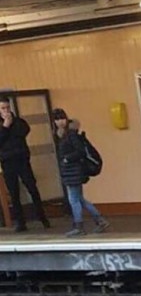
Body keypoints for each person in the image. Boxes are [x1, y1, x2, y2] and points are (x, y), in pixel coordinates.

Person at [52, 108, 109, 237]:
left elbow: (80, 152)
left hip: (73, 171)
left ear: (66, 119)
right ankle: (100, 220)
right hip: (70, 171)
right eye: (57, 119)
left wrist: (67, 159)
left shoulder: (71, 135)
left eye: (61, 118)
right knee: (80, 199)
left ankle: (79, 226)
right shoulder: (62, 135)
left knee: (73, 200)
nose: (59, 121)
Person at [0, 96, 50, 232]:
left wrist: (11, 123)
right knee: (14, 193)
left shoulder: (19, 122)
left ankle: (42, 217)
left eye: (7, 108)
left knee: (32, 188)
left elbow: (24, 131)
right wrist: (5, 126)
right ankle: (20, 222)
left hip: (22, 160)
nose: (6, 111)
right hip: (7, 162)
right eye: (2, 108)